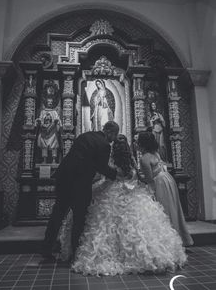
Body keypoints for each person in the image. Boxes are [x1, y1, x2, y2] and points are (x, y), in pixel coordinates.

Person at [63, 134, 187, 275]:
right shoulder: (132, 161)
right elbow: (137, 177)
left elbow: (104, 175)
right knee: (139, 225)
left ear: (113, 150)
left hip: (112, 192)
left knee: (104, 224)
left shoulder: (110, 161)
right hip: (133, 193)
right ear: (127, 149)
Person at [41, 121, 120, 262]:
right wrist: (117, 175)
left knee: (57, 214)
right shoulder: (104, 145)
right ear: (110, 132)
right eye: (115, 135)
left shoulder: (85, 136)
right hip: (80, 184)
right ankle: (75, 253)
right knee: (79, 218)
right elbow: (102, 168)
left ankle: (46, 249)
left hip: (63, 179)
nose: (114, 139)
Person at [137, 131, 193, 247]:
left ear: (141, 143)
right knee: (172, 207)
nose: (135, 143)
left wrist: (137, 175)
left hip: (159, 183)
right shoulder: (155, 153)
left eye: (137, 141)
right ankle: (178, 238)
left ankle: (169, 241)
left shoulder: (144, 159)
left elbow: (149, 179)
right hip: (167, 179)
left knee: (164, 210)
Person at [36, 97, 62, 164]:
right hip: (44, 131)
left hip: (52, 132)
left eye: (51, 102)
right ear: (46, 103)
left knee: (54, 145)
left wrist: (57, 122)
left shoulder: (54, 112)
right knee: (44, 146)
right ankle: (44, 160)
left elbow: (58, 120)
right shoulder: (43, 112)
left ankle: (54, 160)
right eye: (48, 102)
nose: (50, 103)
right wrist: (40, 123)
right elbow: (40, 120)